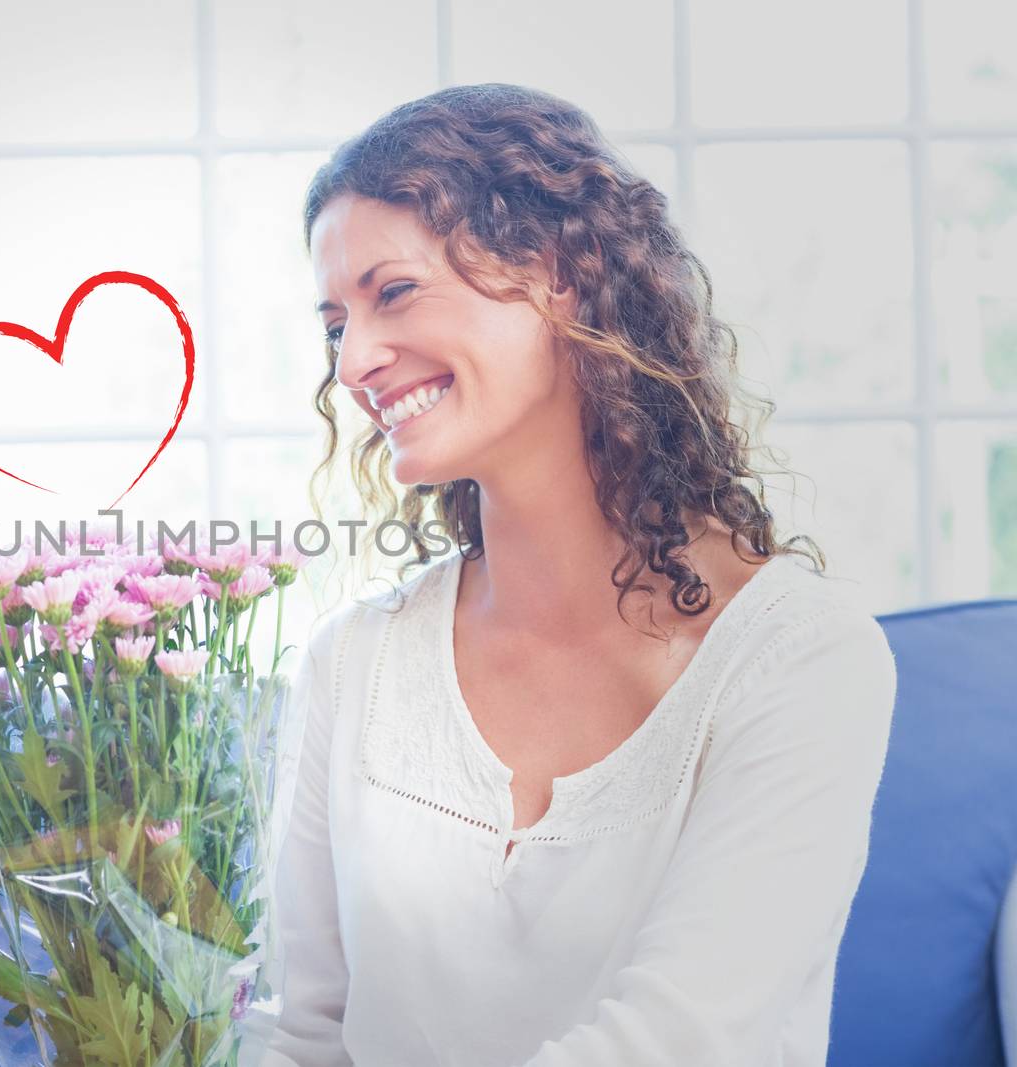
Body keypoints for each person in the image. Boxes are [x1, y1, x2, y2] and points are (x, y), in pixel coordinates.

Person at [258, 84, 898, 1066]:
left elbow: (677, 1042)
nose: (353, 362)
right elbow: (298, 1036)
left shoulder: (801, 660)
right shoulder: (355, 662)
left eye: (391, 292)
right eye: (336, 321)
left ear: (557, 273)